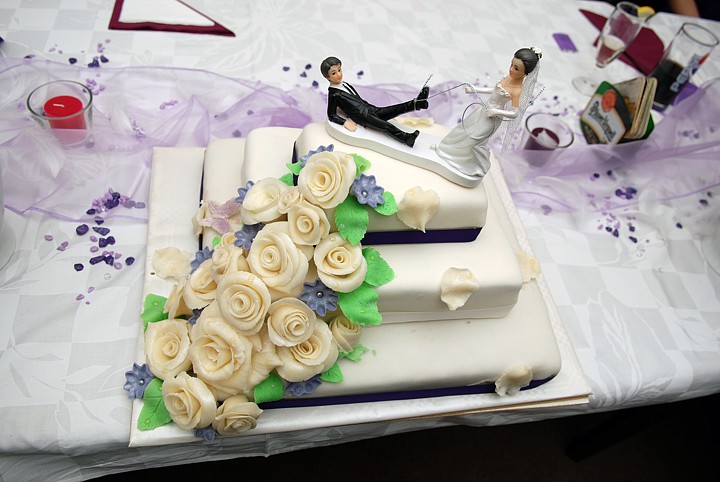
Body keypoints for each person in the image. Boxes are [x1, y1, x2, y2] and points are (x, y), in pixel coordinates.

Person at [432, 47, 542, 177]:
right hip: (484, 109)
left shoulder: (517, 90)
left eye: (516, 68)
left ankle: (467, 163)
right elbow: (493, 90)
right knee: (463, 129)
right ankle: (445, 149)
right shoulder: (507, 78)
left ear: (525, 74)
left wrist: (496, 112)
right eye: (511, 65)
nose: (511, 69)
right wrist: (475, 89)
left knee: (474, 139)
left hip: (492, 117)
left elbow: (515, 113)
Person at [321, 56, 429, 147]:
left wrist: (368, 106)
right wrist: (345, 122)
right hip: (363, 117)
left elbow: (356, 98)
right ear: (327, 77)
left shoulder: (345, 84)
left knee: (393, 109)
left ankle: (417, 103)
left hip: (368, 108)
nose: (339, 74)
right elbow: (331, 115)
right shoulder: (334, 94)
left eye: (339, 70)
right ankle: (406, 138)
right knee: (385, 126)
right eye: (334, 73)